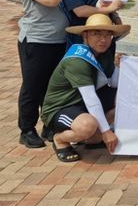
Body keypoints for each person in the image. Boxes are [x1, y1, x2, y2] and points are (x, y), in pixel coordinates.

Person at [41, 14, 130, 162]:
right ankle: (60, 139)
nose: (103, 39)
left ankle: (92, 138)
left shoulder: (104, 53)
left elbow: (114, 83)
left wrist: (119, 66)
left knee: (125, 100)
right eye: (97, 34)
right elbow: (90, 99)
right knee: (87, 126)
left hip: (82, 103)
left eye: (107, 35)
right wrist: (106, 131)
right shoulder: (77, 60)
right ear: (85, 35)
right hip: (62, 107)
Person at [17, 0, 72, 148]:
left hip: (60, 40)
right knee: (33, 87)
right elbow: (51, 0)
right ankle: (27, 129)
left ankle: (49, 125)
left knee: (53, 87)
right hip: (37, 41)